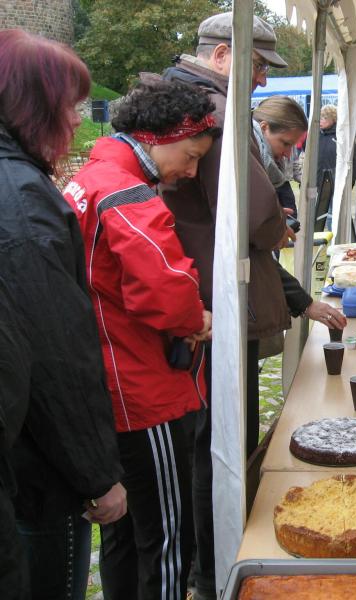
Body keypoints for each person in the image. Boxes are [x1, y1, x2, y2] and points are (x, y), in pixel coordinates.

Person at [160, 13, 345, 598]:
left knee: (214, 438)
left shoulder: (202, 104)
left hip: (212, 296)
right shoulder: (213, 109)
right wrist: (277, 229)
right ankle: (213, 567)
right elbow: (256, 213)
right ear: (223, 56)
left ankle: (210, 559)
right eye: (259, 65)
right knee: (215, 443)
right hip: (213, 304)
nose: (262, 80)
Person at [62, 78, 218, 600]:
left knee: (124, 533)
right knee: (168, 534)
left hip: (106, 377)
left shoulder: (89, 178)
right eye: (191, 156)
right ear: (158, 138)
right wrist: (196, 317)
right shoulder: (126, 193)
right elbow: (166, 288)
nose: (191, 171)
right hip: (142, 387)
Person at [0, 29, 125, 600]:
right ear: (33, 105)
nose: (77, 119)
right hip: (35, 469)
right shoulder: (22, 201)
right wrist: (97, 474)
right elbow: (55, 354)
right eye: (69, 106)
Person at [252, 95, 309, 218]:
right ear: (264, 128)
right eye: (286, 144)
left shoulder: (262, 163)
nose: (288, 155)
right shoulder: (248, 165)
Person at [316, 104, 338, 229]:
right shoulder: (316, 136)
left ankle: (334, 236)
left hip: (335, 183)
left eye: (323, 118)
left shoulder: (340, 136)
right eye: (319, 118)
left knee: (333, 214)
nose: (320, 121)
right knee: (319, 215)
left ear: (332, 119)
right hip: (319, 183)